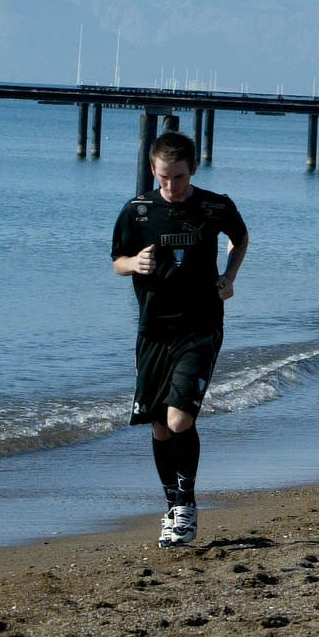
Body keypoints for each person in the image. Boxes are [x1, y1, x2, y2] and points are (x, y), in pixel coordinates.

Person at [111, 132, 249, 548]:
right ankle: (171, 506)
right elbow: (116, 261)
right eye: (165, 177)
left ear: (193, 169)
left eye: (180, 177)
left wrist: (229, 276)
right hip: (153, 330)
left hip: (201, 325)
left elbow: (240, 238)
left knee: (179, 419)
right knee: (157, 424)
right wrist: (134, 262)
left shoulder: (214, 205)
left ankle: (187, 506)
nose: (172, 186)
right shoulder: (137, 211)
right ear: (153, 170)